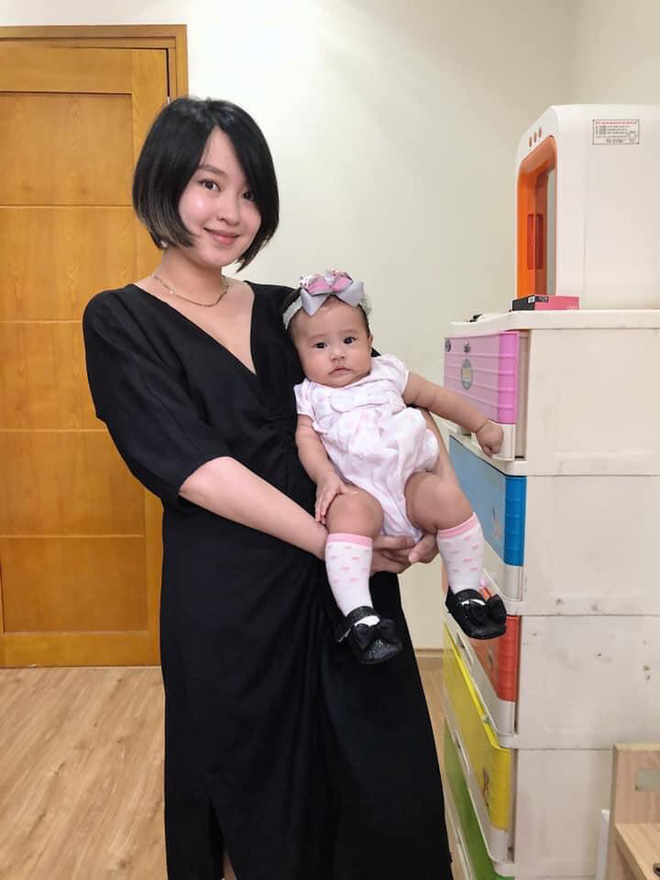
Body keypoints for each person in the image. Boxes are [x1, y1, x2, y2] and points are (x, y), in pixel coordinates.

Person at [82, 97, 454, 880]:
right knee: (253, 793)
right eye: (209, 184)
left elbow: (391, 399)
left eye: (250, 193)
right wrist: (334, 544)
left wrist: (432, 506)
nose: (232, 212)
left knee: (381, 790)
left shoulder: (292, 309)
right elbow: (198, 470)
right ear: (163, 183)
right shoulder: (120, 320)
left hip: (347, 585)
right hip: (234, 599)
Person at [284, 271, 507, 665]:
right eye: (319, 346)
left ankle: (466, 592)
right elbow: (307, 441)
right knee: (347, 514)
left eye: (349, 340)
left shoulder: (389, 373)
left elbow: (438, 399)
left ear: (370, 340)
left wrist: (480, 424)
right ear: (299, 355)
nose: (337, 354)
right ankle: (360, 615)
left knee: (448, 498)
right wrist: (326, 477)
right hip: (359, 492)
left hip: (409, 484)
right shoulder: (310, 396)